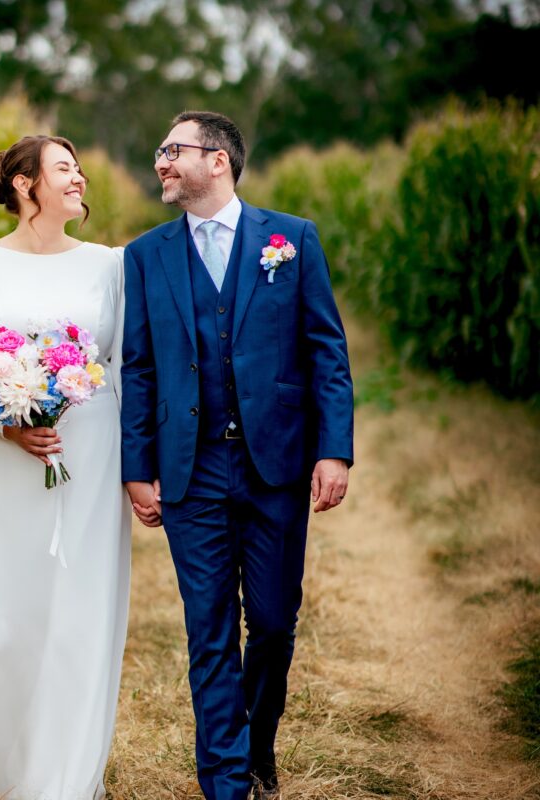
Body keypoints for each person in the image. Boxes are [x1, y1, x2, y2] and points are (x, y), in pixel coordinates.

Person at [121, 111, 354, 800]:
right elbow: (138, 367)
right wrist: (137, 466)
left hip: (275, 463)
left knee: (274, 624)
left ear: (217, 159)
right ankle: (226, 783)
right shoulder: (146, 255)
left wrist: (333, 450)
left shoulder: (291, 239)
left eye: (173, 149)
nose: (161, 162)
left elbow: (326, 351)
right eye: (160, 151)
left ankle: (256, 747)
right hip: (189, 470)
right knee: (210, 630)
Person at [0, 135, 130, 800]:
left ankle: (57, 774)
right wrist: (6, 422)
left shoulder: (110, 267)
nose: (79, 179)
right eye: (64, 168)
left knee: (74, 609)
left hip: (88, 456)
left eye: (79, 168)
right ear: (24, 184)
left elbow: (123, 367)